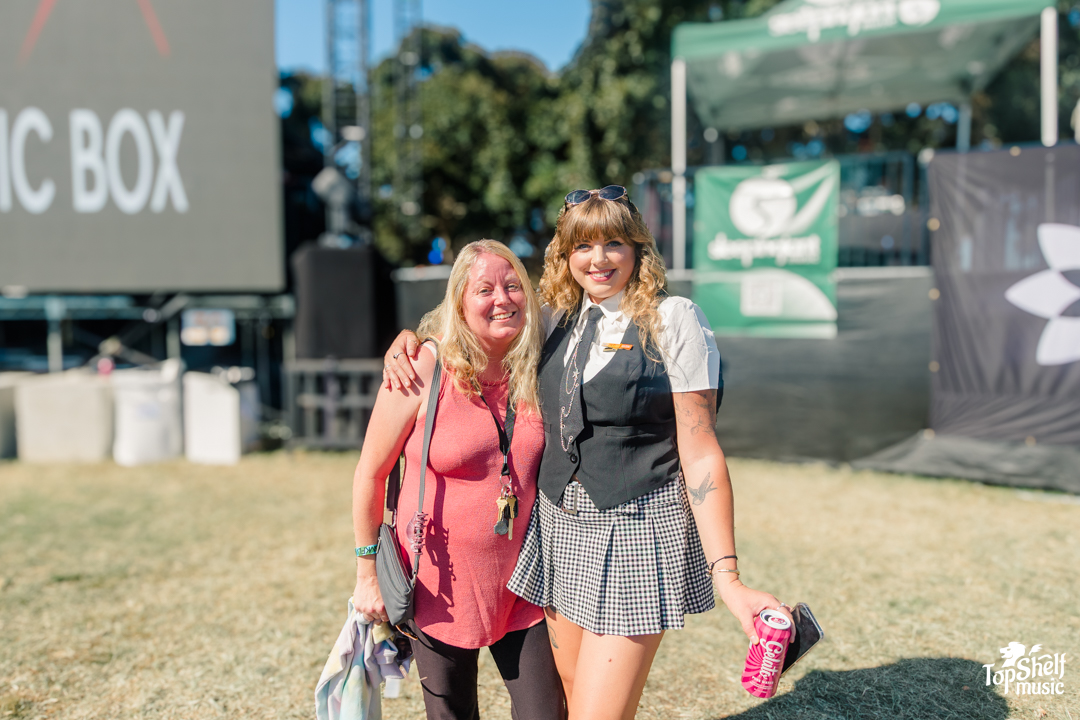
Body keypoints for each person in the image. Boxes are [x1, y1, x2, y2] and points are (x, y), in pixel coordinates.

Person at [384, 187, 791, 720]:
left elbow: (701, 452)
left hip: (637, 530)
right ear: (565, 254)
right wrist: (412, 337)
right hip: (558, 530)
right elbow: (471, 321)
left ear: (638, 249)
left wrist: (729, 578)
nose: (598, 259)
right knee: (572, 701)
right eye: (583, 246)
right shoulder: (555, 319)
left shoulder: (674, 319)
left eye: (613, 243)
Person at [351, 239, 564, 720]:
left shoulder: (538, 361)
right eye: (484, 289)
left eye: (513, 286)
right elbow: (370, 473)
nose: (502, 298)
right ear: (460, 302)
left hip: (524, 582)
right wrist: (367, 574)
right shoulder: (422, 368)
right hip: (437, 588)